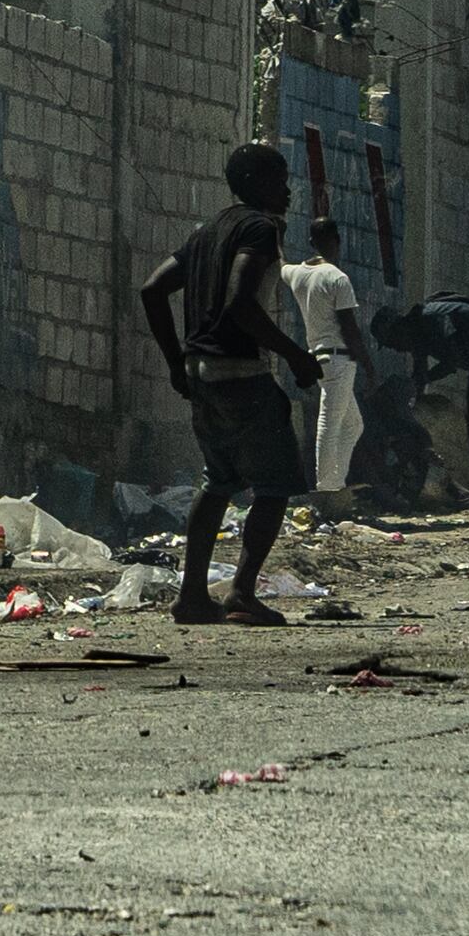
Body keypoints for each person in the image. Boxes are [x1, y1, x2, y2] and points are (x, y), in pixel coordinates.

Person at [136, 144, 314, 623]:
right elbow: (240, 302)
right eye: (280, 179)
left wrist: (177, 362)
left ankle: (192, 594)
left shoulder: (206, 232)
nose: (290, 190)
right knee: (274, 486)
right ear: (256, 183)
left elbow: (153, 290)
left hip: (202, 376)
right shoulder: (258, 228)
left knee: (218, 482)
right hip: (240, 374)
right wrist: (295, 355)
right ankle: (240, 592)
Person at [281, 215, 372, 510]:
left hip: (319, 358)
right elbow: (349, 327)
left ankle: (335, 484)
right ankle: (325, 492)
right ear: (338, 241)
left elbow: (278, 262)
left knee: (353, 425)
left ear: (311, 242)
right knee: (330, 424)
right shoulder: (337, 278)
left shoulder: (296, 274)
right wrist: (368, 365)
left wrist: (275, 232)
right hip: (340, 359)